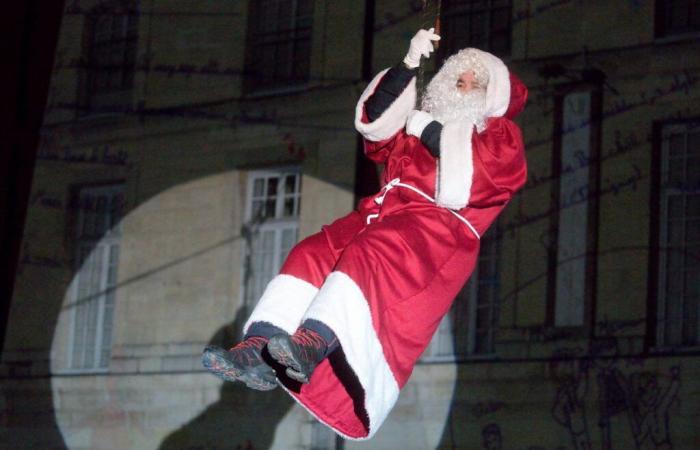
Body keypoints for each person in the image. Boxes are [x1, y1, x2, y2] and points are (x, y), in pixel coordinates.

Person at [202, 28, 528, 440]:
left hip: (437, 231)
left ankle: (312, 344)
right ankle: (260, 349)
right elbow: (375, 127)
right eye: (457, 81)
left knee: (370, 253)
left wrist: (430, 131)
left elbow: (480, 179)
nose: (462, 90)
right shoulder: (417, 126)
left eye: (473, 85)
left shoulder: (499, 135)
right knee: (314, 251)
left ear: (490, 96)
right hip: (383, 213)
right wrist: (408, 66)